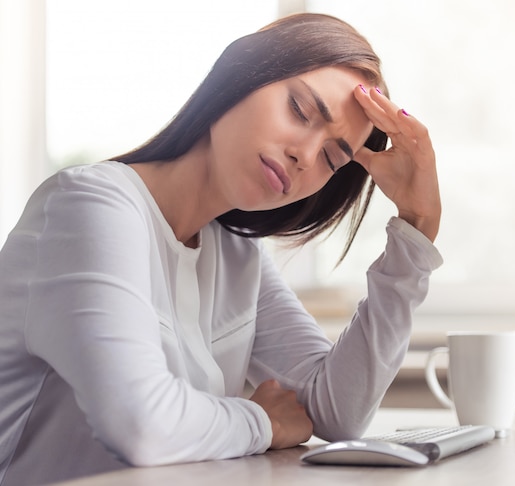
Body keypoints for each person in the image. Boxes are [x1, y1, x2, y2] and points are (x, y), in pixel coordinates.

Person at [0, 12, 442, 485]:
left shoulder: (235, 254)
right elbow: (141, 426)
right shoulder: (89, 205)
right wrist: (262, 422)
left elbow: (336, 411)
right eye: (299, 109)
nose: (306, 156)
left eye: (333, 157)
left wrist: (415, 231)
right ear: (241, 75)